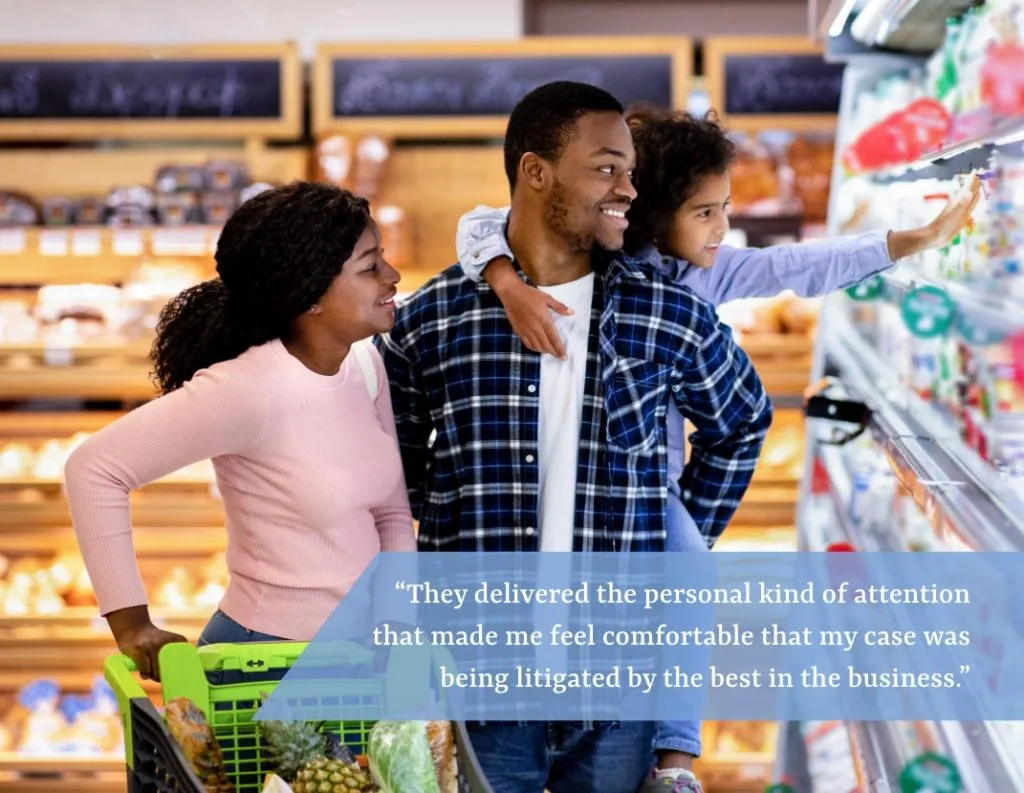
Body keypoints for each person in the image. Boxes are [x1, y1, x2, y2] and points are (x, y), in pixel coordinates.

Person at [453, 106, 982, 792]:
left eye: (724, 209)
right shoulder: (586, 251)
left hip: (649, 492)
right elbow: (477, 223)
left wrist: (909, 240)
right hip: (554, 484)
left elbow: (797, 265)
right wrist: (504, 280)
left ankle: (673, 756)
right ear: (649, 210)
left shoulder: (706, 276)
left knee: (689, 565)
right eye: (705, 212)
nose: (722, 228)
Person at [374, 82, 772, 793]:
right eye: (606, 168)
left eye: (631, 170)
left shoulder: (667, 314)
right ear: (536, 172)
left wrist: (676, 534)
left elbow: (740, 421)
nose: (628, 188)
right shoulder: (433, 321)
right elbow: (393, 470)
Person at [64, 182, 416, 681]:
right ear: (310, 296)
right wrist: (131, 624)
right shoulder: (248, 388)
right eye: (370, 266)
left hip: (358, 660)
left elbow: (391, 514)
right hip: (265, 665)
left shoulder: (363, 366)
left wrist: (396, 630)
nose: (392, 276)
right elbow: (93, 468)